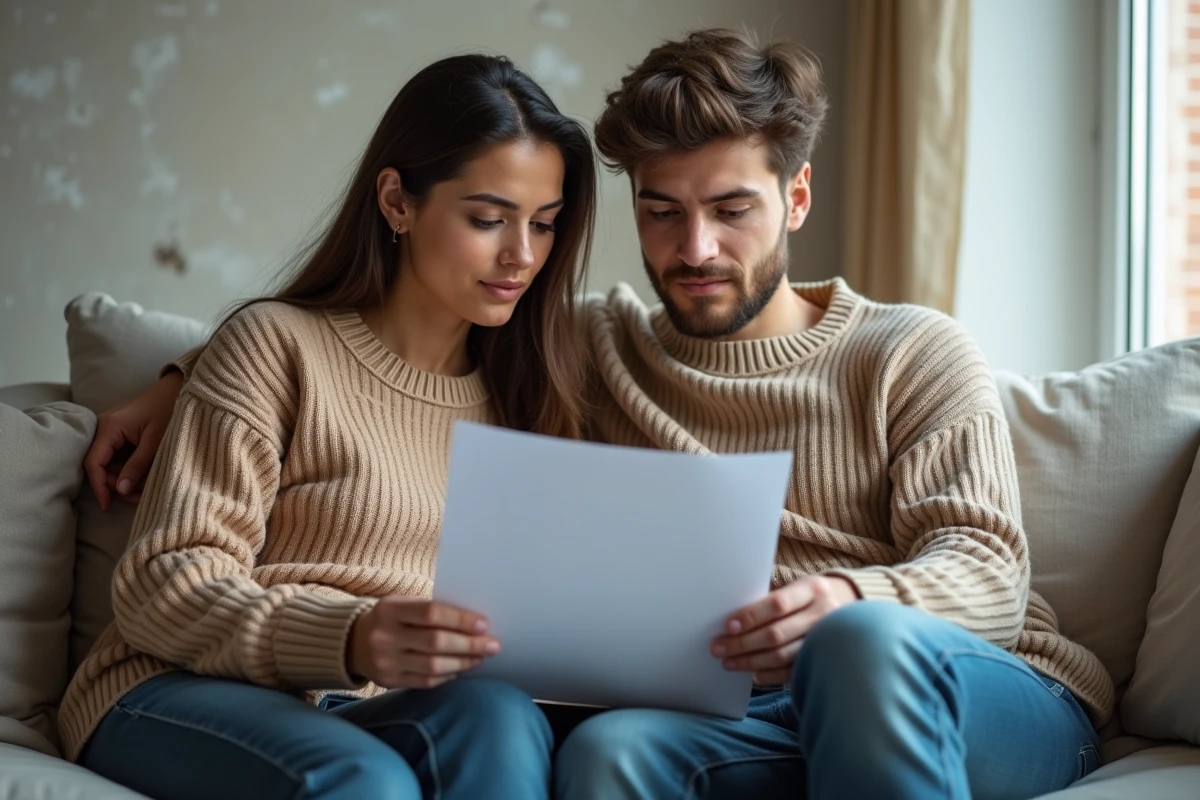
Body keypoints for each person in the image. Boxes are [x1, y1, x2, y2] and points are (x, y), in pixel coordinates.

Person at [87, 29, 1115, 800]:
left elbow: (989, 570)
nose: (696, 248)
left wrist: (846, 596)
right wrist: (179, 379)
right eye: (662, 211)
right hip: (747, 713)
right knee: (609, 750)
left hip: (962, 683)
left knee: (859, 644)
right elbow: (343, 343)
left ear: (796, 200)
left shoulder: (912, 351)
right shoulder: (584, 349)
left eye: (733, 210)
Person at [58, 53, 596, 800]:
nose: (522, 256)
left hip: (373, 710)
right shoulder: (277, 346)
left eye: (544, 224)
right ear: (397, 201)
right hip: (173, 690)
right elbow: (162, 582)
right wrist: (351, 635)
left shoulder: (533, 396)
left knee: (499, 716)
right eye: (487, 219)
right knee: (365, 779)